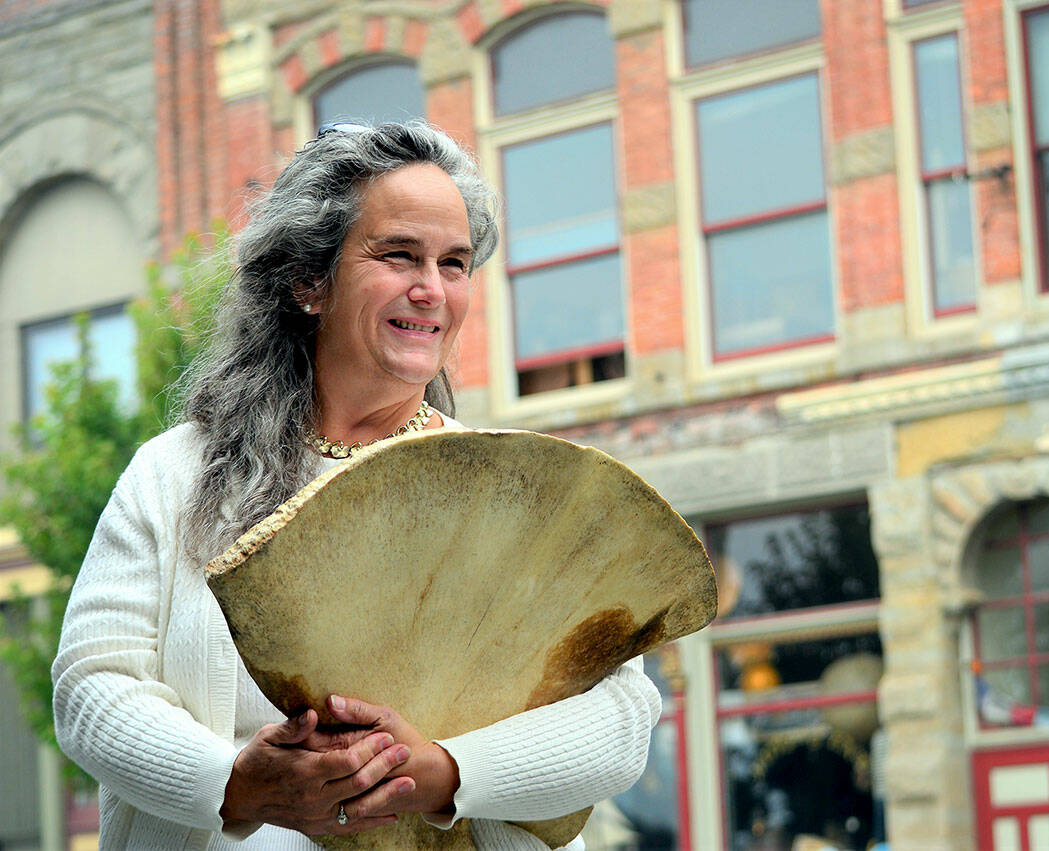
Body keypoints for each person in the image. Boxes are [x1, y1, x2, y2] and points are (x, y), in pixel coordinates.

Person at [51, 120, 661, 849]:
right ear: (309, 278)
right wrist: (238, 782)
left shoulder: (518, 491)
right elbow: (91, 686)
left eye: (455, 263)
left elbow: (622, 717)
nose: (432, 289)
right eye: (400, 254)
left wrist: (434, 772)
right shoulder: (173, 474)